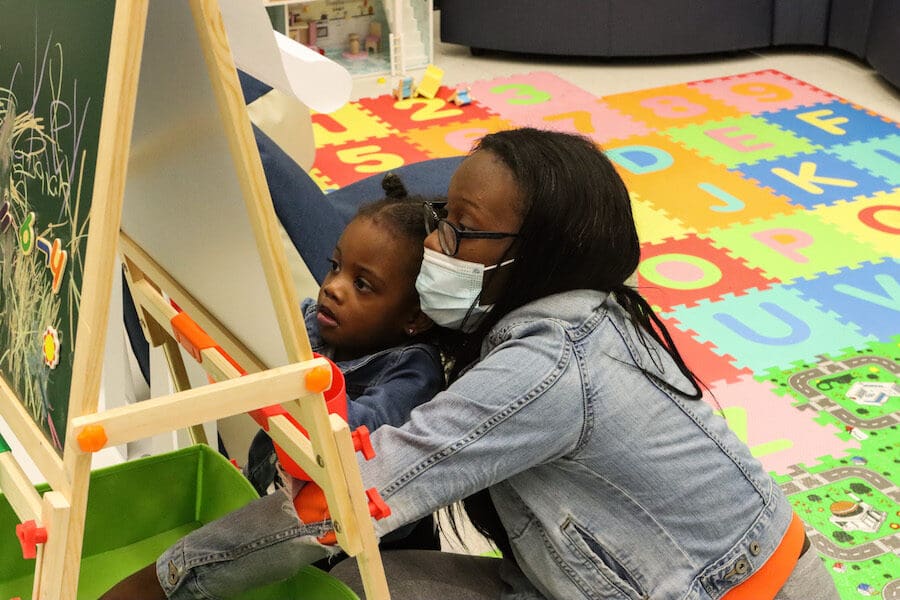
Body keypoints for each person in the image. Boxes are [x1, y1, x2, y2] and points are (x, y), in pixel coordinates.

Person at [102, 128, 839, 600]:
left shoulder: (546, 370)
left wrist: (160, 583)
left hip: (720, 589)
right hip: (595, 572)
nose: (436, 244)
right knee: (357, 583)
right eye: (443, 219)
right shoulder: (564, 310)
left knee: (340, 563)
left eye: (462, 230)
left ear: (535, 251)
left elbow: (350, 499)